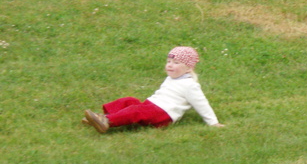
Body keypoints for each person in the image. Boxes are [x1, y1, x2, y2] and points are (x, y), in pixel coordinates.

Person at [84, 46, 224, 134]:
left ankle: (107, 121)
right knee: (129, 101)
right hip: (152, 106)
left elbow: (201, 103)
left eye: (176, 63)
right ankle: (101, 117)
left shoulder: (190, 85)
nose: (170, 65)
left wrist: (213, 122)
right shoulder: (172, 78)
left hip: (162, 115)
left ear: (188, 68)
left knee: (136, 111)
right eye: (168, 62)